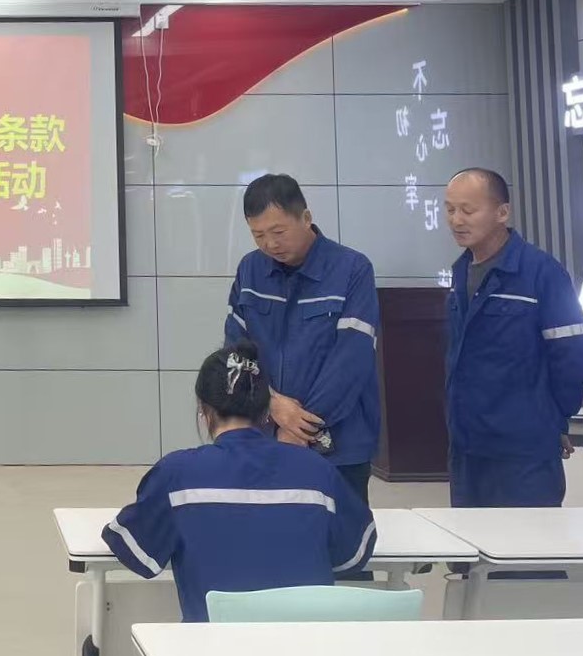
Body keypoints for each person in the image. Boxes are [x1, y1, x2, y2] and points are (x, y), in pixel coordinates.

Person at [102, 339, 376, 626]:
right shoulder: (318, 472)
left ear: (203, 410)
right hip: (305, 649)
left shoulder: (176, 475)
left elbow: (133, 549)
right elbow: (352, 554)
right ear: (267, 411)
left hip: (212, 650)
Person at [442, 167, 583, 507]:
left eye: (468, 210)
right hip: (467, 445)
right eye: (450, 209)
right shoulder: (461, 271)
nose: (456, 220)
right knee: (469, 538)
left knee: (528, 538)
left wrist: (552, 419)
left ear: (502, 212)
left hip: (523, 449)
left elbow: (577, 358)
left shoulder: (541, 272)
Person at [224, 173, 381, 501]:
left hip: (337, 445)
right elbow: (236, 353)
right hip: (265, 436)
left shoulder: (352, 269)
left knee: (339, 528)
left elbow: (350, 361)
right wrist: (272, 407)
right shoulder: (250, 270)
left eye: (278, 232)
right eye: (258, 235)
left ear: (306, 218)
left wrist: (300, 427)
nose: (270, 244)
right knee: (270, 528)